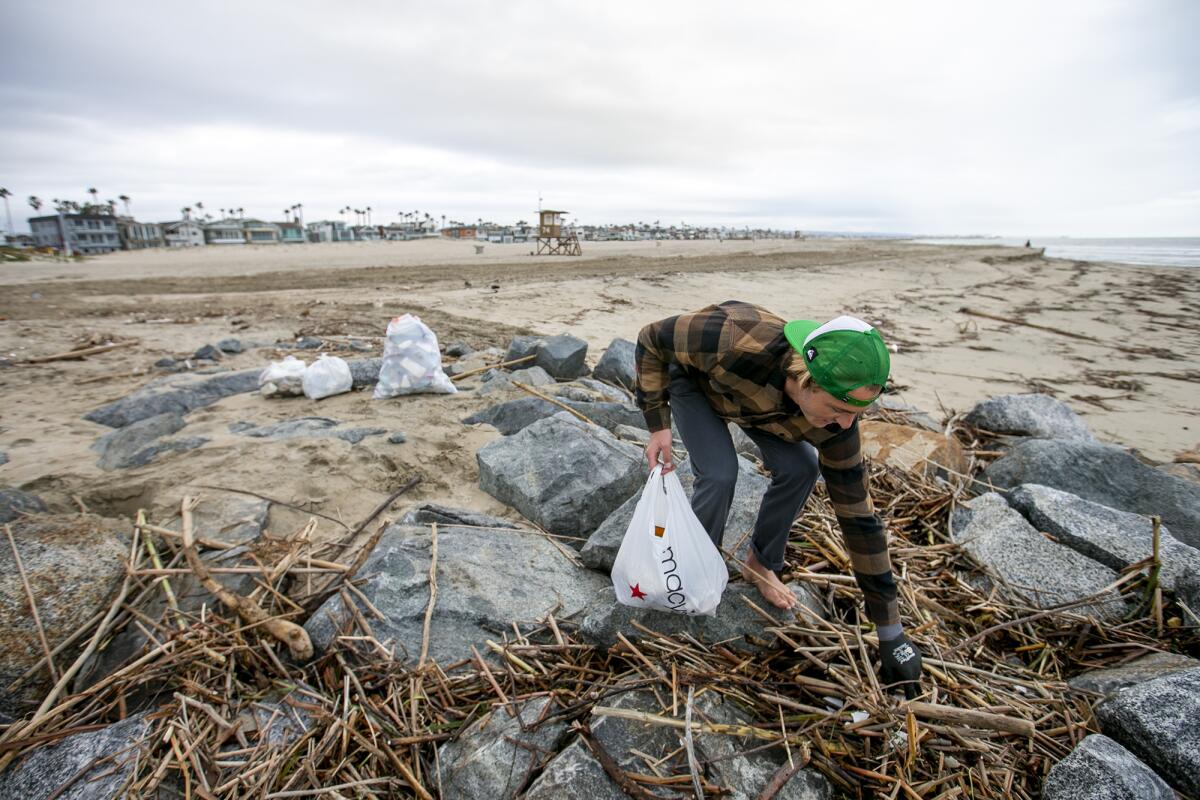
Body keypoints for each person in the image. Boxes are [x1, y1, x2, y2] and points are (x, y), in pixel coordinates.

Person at [634, 300, 923, 697]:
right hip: (701, 386)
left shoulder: (837, 424)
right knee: (719, 473)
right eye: (839, 408)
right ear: (808, 379)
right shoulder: (731, 338)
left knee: (802, 467)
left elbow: (860, 522)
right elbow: (651, 338)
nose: (846, 425)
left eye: (857, 413)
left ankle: (761, 563)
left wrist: (891, 634)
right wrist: (657, 423)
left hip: (768, 412)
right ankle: (690, 572)